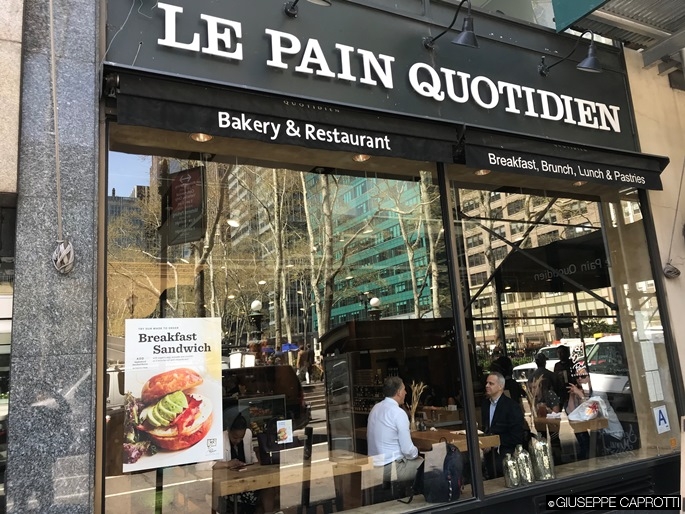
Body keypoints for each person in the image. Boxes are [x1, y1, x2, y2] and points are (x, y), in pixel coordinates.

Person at [367, 376, 424, 496]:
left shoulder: (375, 408)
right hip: (392, 468)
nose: (406, 392)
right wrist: (417, 453)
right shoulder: (398, 413)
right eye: (404, 389)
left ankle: (407, 495)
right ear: (398, 392)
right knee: (431, 466)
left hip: (374, 466)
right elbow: (408, 450)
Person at [567, 364, 624, 459]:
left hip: (612, 433)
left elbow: (589, 413)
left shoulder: (598, 392)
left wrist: (580, 395)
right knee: (579, 430)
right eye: (577, 376)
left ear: (590, 377)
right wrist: (572, 396)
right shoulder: (582, 393)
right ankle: (585, 456)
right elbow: (572, 414)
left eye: (583, 376)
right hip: (599, 434)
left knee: (591, 447)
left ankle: (587, 457)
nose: (579, 379)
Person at [481, 372, 524, 478]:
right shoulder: (485, 405)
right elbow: (486, 428)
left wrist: (495, 442)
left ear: (500, 387)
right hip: (489, 453)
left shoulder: (512, 406)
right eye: (487, 383)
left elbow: (517, 436)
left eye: (491, 383)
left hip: (506, 453)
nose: (487, 386)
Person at [218, 412, 261, 514]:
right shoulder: (220, 439)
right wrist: (227, 464)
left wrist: (256, 465)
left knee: (267, 489)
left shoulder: (248, 434)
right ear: (228, 430)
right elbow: (203, 465)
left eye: (241, 437)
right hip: (229, 483)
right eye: (235, 437)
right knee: (256, 496)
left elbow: (251, 454)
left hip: (248, 479)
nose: (238, 441)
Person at [528, 353, 562, 464]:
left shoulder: (532, 377)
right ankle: (550, 459)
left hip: (550, 414)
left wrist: (547, 409)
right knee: (547, 439)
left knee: (547, 438)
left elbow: (555, 412)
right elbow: (560, 389)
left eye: (535, 387)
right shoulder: (551, 375)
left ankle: (553, 459)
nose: (533, 390)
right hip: (545, 416)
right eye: (531, 388)